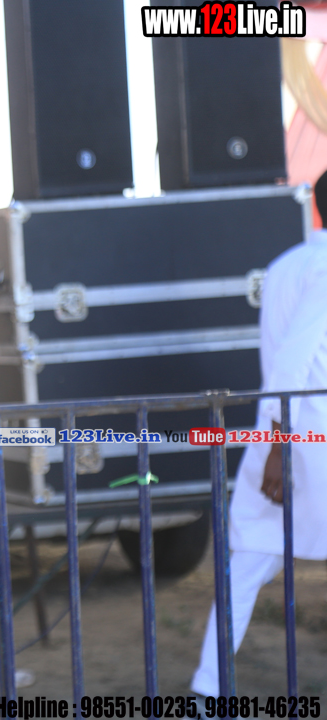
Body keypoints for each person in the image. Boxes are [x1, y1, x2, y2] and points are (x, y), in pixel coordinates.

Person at [190, 170, 327, 696]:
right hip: (300, 436)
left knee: (247, 563)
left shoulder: (287, 264)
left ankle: (208, 690)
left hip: (285, 432)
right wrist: (278, 445)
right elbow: (292, 362)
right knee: (248, 561)